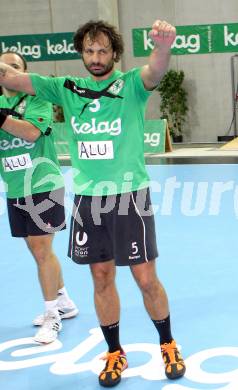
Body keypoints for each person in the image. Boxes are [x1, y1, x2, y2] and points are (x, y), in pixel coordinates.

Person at [0, 19, 185, 386]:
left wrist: (163, 46)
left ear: (114, 53)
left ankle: (167, 342)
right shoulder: (66, 87)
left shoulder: (131, 84)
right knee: (101, 278)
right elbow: (12, 79)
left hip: (130, 196)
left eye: (103, 51)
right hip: (88, 201)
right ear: (81, 53)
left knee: (145, 278)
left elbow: (155, 69)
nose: (96, 57)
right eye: (89, 51)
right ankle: (115, 352)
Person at [0, 51, 78, 345]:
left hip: (43, 184)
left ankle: (52, 316)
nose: (6, 71)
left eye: (13, 66)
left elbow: (32, 132)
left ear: (24, 72)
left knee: (43, 250)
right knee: (36, 251)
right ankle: (65, 302)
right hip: (15, 187)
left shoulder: (37, 98)